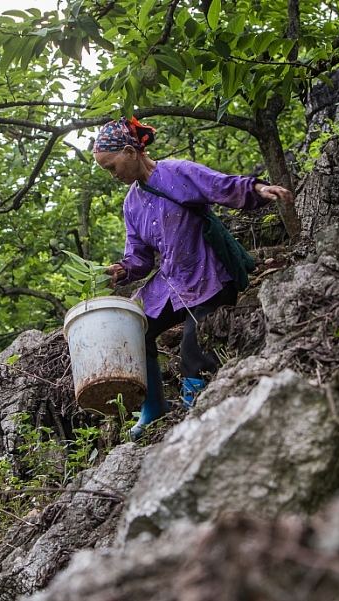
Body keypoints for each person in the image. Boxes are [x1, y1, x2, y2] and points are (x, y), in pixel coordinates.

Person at [93, 117, 294, 437]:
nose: (112, 175)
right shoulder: (132, 203)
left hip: (208, 275)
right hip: (172, 280)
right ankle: (153, 410)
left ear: (131, 152)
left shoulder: (177, 173)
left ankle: (194, 413)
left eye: (111, 166)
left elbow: (220, 185)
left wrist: (258, 188)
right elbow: (140, 258)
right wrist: (123, 269)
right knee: (131, 327)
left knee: (193, 349)